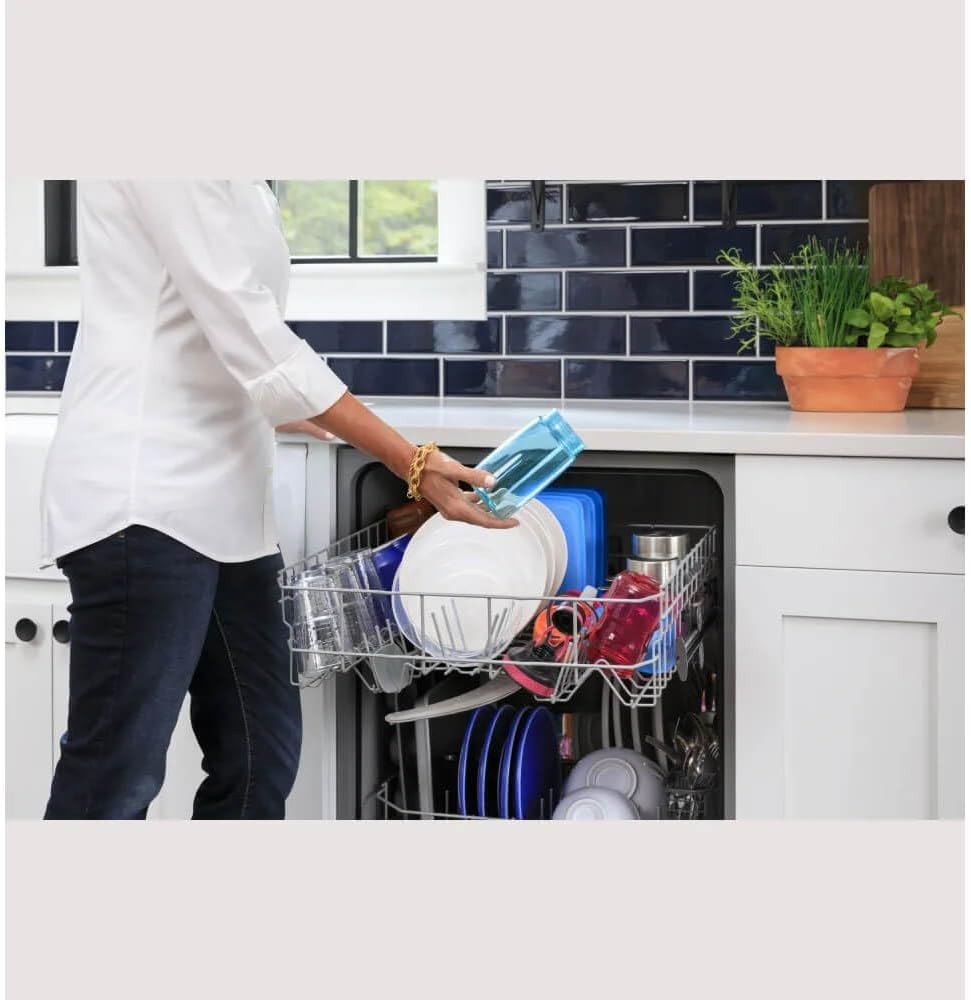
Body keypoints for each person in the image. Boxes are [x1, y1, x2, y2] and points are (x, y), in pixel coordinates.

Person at [40, 179, 514, 820]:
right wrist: (413, 461)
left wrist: (285, 410)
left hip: (224, 508)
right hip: (143, 494)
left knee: (260, 751)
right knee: (116, 775)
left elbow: (209, 328)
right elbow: (247, 327)